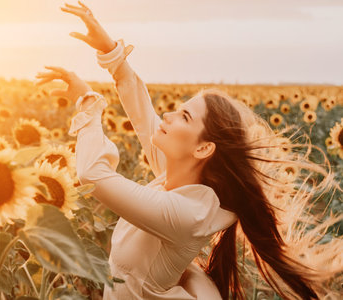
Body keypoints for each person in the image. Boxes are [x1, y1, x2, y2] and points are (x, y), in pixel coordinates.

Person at [36, 2, 339, 299]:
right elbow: (139, 106)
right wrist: (109, 49)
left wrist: (87, 102)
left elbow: (92, 175)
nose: (167, 116)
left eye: (184, 117)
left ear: (204, 148)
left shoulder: (185, 213)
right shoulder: (179, 180)